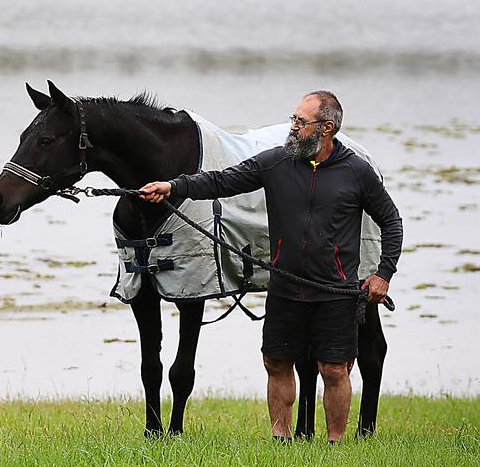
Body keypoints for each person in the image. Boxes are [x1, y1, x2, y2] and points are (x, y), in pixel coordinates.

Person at [139, 90, 403, 444]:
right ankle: (281, 440)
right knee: (276, 364)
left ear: (326, 128)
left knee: (335, 369)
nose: (292, 128)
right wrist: (173, 186)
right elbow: (221, 181)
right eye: (293, 119)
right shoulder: (276, 162)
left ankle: (336, 444)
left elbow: (391, 221)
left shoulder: (356, 171)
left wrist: (383, 273)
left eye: (300, 122)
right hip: (285, 288)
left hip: (335, 291)